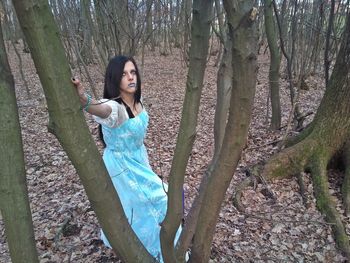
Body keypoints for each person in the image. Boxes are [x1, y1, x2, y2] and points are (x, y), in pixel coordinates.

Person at [71, 55, 180, 262]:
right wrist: (83, 97)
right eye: (123, 74)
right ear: (114, 79)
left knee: (156, 203)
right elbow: (99, 108)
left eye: (133, 72)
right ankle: (151, 251)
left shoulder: (138, 102)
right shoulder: (115, 108)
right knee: (151, 204)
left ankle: (167, 247)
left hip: (139, 159)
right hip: (122, 167)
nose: (130, 78)